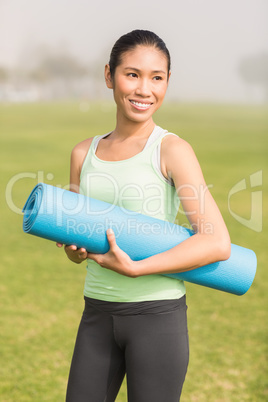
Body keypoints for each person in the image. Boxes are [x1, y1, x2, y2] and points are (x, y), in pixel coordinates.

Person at [57, 29, 231, 402]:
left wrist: (136, 268)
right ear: (109, 75)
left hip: (157, 317)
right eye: (132, 74)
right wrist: (74, 249)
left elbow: (216, 242)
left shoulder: (172, 150)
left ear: (167, 82)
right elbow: (76, 243)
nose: (144, 89)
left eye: (157, 78)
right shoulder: (82, 154)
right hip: (97, 314)